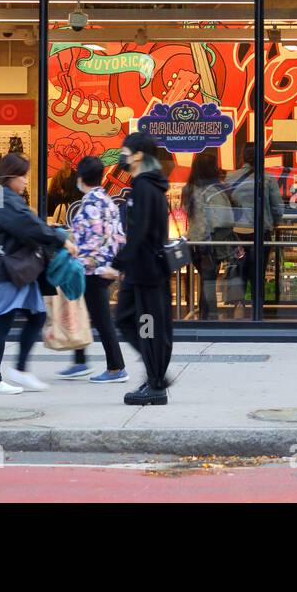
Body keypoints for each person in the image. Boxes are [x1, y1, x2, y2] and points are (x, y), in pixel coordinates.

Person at [0, 152, 76, 395]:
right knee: (2, 323)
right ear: (9, 176)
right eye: (22, 177)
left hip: (17, 269)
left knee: (37, 316)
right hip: (4, 268)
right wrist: (60, 238)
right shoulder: (1, 198)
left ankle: (20, 369)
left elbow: (27, 224)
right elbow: (25, 225)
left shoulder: (4, 196)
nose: (24, 181)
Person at [110, 132, 174, 406]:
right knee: (124, 319)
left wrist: (117, 265)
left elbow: (140, 233)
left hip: (147, 273)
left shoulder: (147, 188)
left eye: (125, 151)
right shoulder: (143, 185)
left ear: (138, 155)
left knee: (148, 328)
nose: (122, 155)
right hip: (139, 272)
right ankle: (155, 372)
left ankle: (156, 382)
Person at [57, 155, 129, 383]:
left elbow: (91, 241)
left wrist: (81, 261)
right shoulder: (108, 201)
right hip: (103, 267)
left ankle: (116, 367)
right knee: (83, 312)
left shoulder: (90, 204)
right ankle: (80, 361)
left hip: (92, 270)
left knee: (100, 318)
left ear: (81, 178)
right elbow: (118, 236)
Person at [223, 142, 285, 317]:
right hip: (260, 233)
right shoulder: (267, 178)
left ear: (243, 156)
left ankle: (236, 308)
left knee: (238, 270)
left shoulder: (230, 177)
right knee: (258, 273)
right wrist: (276, 222)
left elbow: (225, 205)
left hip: (236, 234)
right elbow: (278, 207)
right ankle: (257, 310)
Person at [183, 148, 235, 320]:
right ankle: (208, 316)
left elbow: (190, 214)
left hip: (193, 241)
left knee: (205, 279)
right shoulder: (214, 189)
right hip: (209, 242)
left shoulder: (189, 188)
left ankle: (204, 313)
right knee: (209, 281)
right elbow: (222, 218)